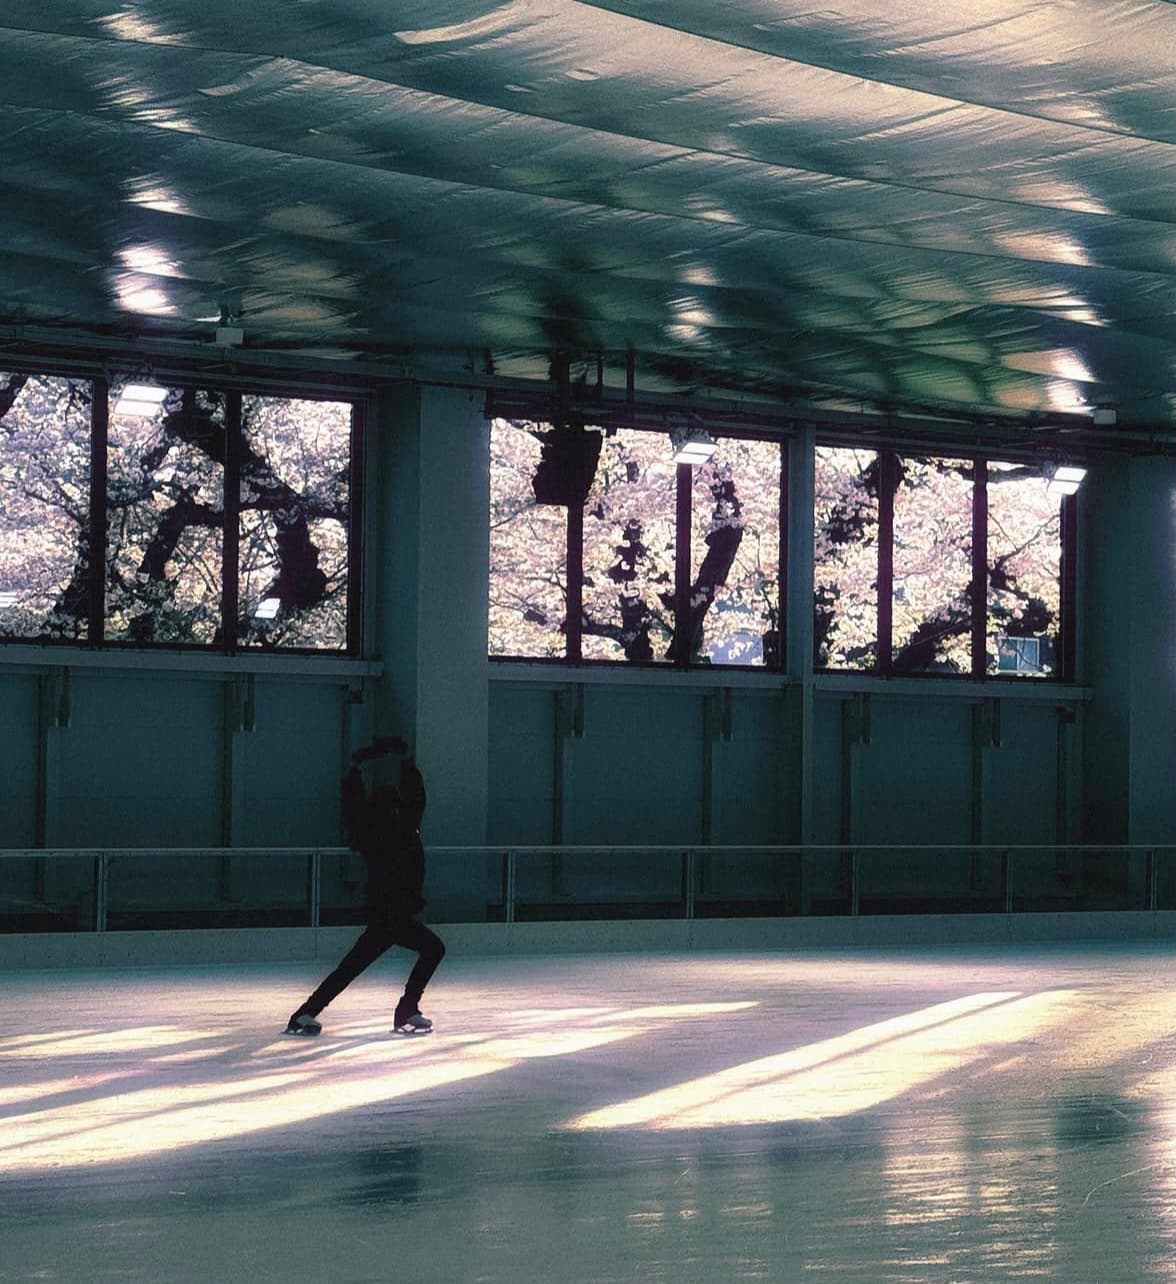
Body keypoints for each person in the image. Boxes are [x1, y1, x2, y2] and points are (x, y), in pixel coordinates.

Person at [285, 737, 445, 1036]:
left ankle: (305, 1012)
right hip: (391, 914)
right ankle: (406, 1010)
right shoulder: (389, 832)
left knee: (351, 968)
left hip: (388, 914)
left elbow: (375, 803)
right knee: (432, 949)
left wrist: (359, 770)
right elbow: (411, 800)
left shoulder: (385, 831)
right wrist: (403, 765)